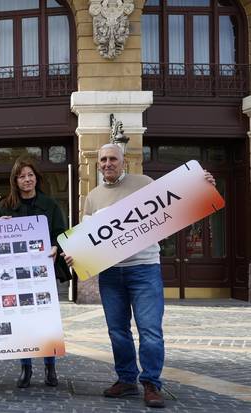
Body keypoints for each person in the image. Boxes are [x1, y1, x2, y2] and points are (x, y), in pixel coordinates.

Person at [63, 143, 216, 408]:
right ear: (98, 164)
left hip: (144, 269)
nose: (107, 163)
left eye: (112, 159)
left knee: (150, 331)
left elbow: (178, 199)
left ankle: (151, 384)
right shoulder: (93, 196)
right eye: (103, 160)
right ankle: (126, 380)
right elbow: (88, 239)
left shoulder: (144, 183)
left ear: (123, 162)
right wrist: (75, 254)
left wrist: (203, 185)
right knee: (117, 331)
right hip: (111, 274)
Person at [0, 156, 69, 388]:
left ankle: (50, 366)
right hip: (15, 275)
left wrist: (57, 245)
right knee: (22, 321)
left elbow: (61, 233)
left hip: (43, 273)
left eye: (30, 175)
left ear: (37, 178)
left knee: (46, 320)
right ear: (15, 180)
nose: (27, 180)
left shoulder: (50, 205)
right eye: (22, 176)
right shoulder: (3, 207)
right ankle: (25, 367)